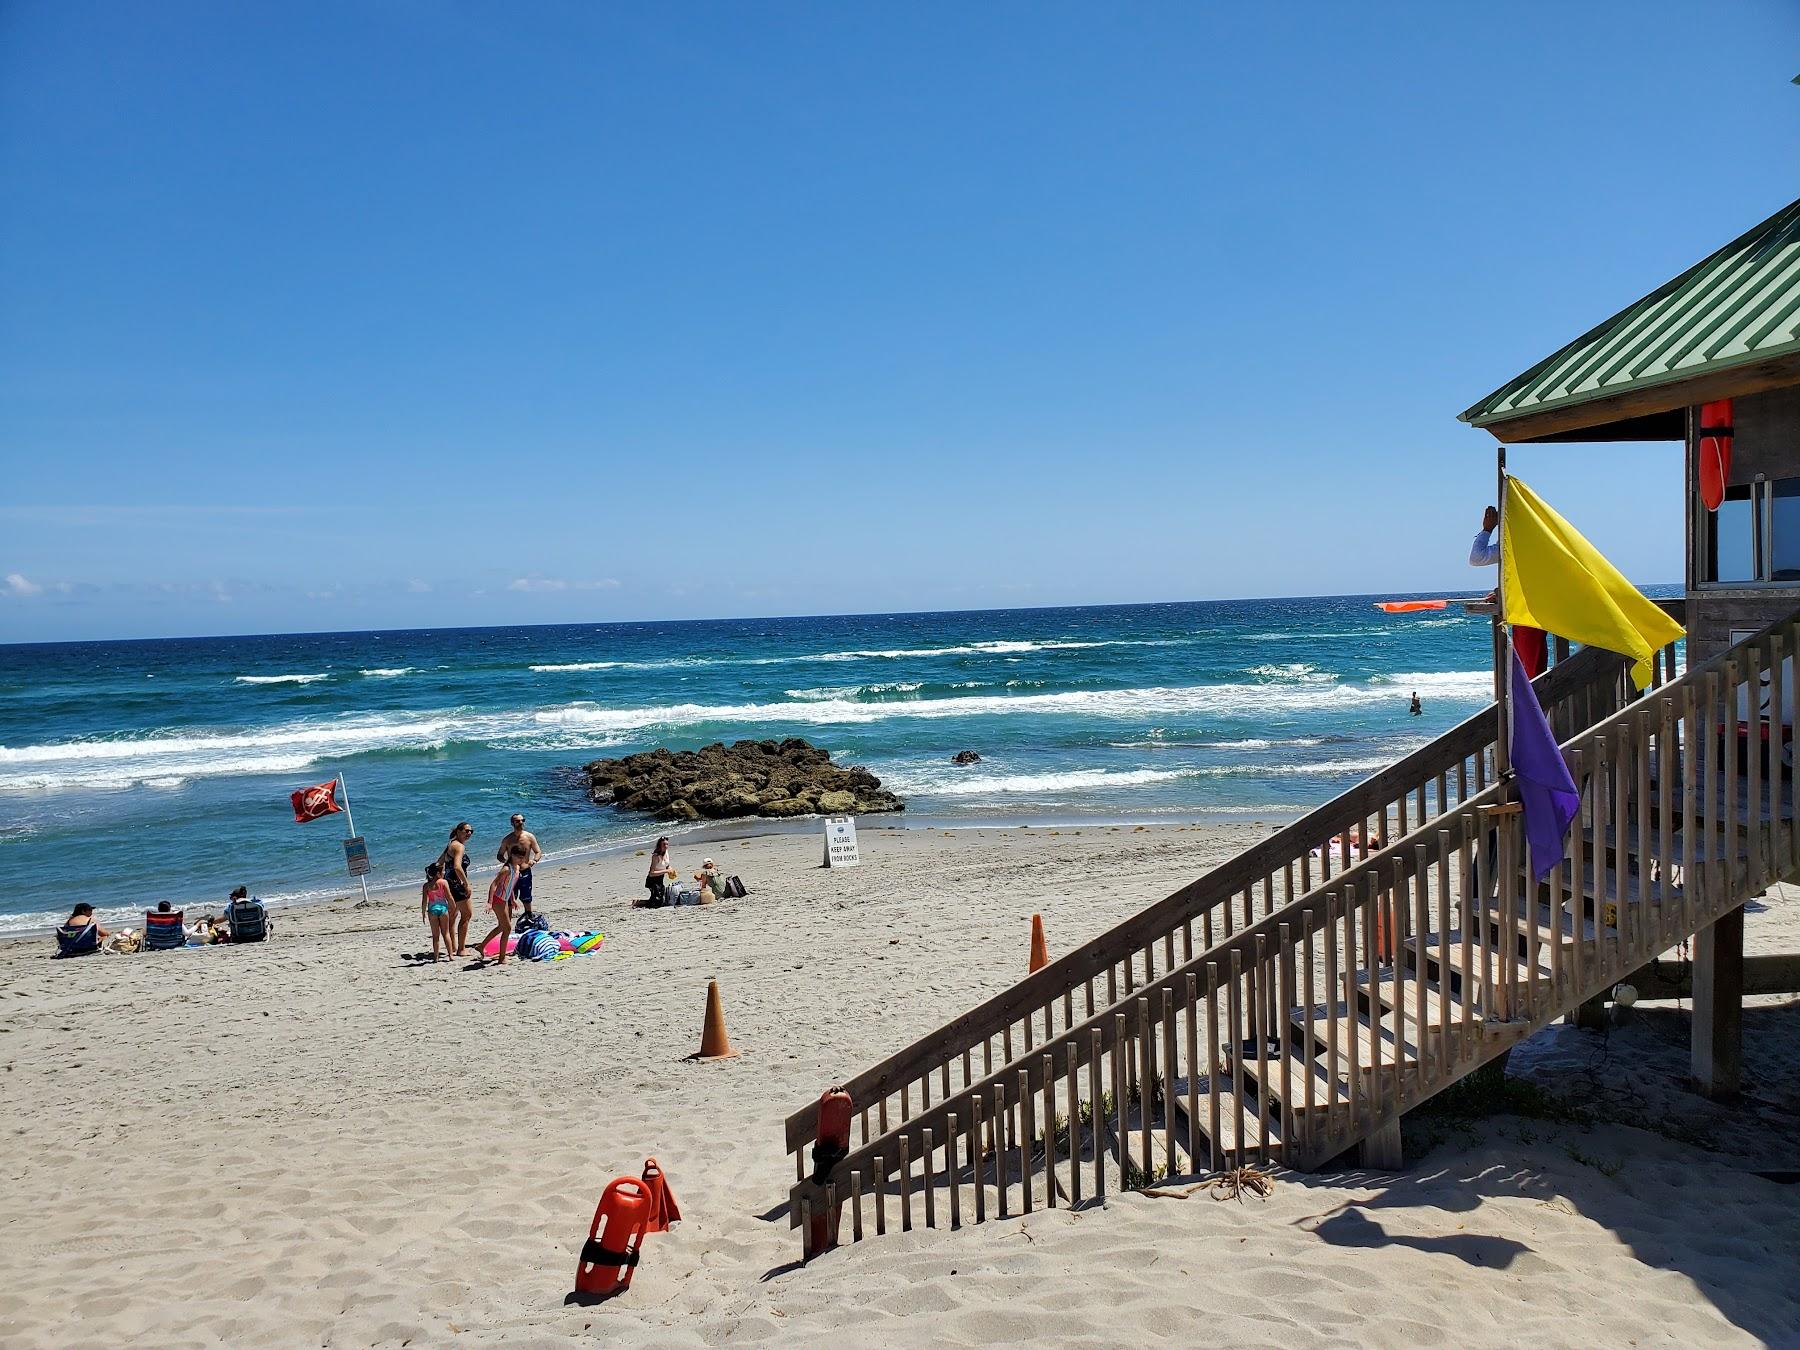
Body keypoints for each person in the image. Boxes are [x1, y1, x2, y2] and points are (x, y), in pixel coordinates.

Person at [1471, 504, 1547, 677]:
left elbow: (1477, 557)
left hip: (1529, 611)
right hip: (1529, 610)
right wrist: (1502, 593)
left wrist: (1487, 529)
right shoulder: (1527, 544)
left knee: (1531, 670)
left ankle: (1532, 702)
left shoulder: (1517, 545)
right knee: (1529, 667)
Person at [477, 844, 528, 965]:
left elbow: (509, 886)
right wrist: (489, 902)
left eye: (523, 857)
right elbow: (494, 885)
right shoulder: (506, 869)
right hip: (497, 899)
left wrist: (513, 899)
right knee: (507, 928)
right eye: (519, 857)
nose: (521, 860)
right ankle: (501, 958)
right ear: (512, 855)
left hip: (505, 899)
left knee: (502, 927)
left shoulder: (516, 868)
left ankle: (481, 946)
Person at [438, 822, 475, 956]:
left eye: (471, 831)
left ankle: (452, 947)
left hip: (448, 884)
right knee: (467, 915)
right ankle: (461, 949)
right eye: (466, 831)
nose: (469, 833)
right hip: (457, 885)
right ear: (459, 831)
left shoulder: (450, 844)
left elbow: (439, 862)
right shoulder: (459, 847)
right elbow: (457, 867)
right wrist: (466, 884)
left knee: (453, 916)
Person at [495, 814, 543, 917]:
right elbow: (499, 854)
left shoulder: (529, 837)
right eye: (518, 821)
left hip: (525, 871)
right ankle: (507, 920)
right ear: (512, 823)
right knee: (509, 898)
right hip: (512, 872)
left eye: (522, 820)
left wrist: (534, 861)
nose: (521, 823)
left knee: (527, 897)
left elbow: (538, 852)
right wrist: (506, 862)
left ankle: (529, 917)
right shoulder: (507, 839)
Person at [420, 862, 454, 962]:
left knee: (435, 936)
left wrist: (423, 913)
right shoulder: (443, 882)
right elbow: (449, 897)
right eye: (442, 871)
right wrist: (453, 907)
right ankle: (450, 955)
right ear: (438, 873)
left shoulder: (426, 886)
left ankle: (436, 957)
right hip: (443, 909)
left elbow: (424, 901)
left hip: (432, 911)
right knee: (446, 933)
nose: (443, 873)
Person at [644, 837, 674, 906]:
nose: (666, 846)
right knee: (657, 903)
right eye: (663, 844)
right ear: (659, 845)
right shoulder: (655, 856)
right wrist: (666, 871)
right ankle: (638, 902)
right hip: (652, 880)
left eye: (667, 844)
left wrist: (670, 869)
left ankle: (645, 901)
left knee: (660, 900)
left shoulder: (666, 852)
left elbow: (667, 864)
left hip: (660, 879)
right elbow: (651, 873)